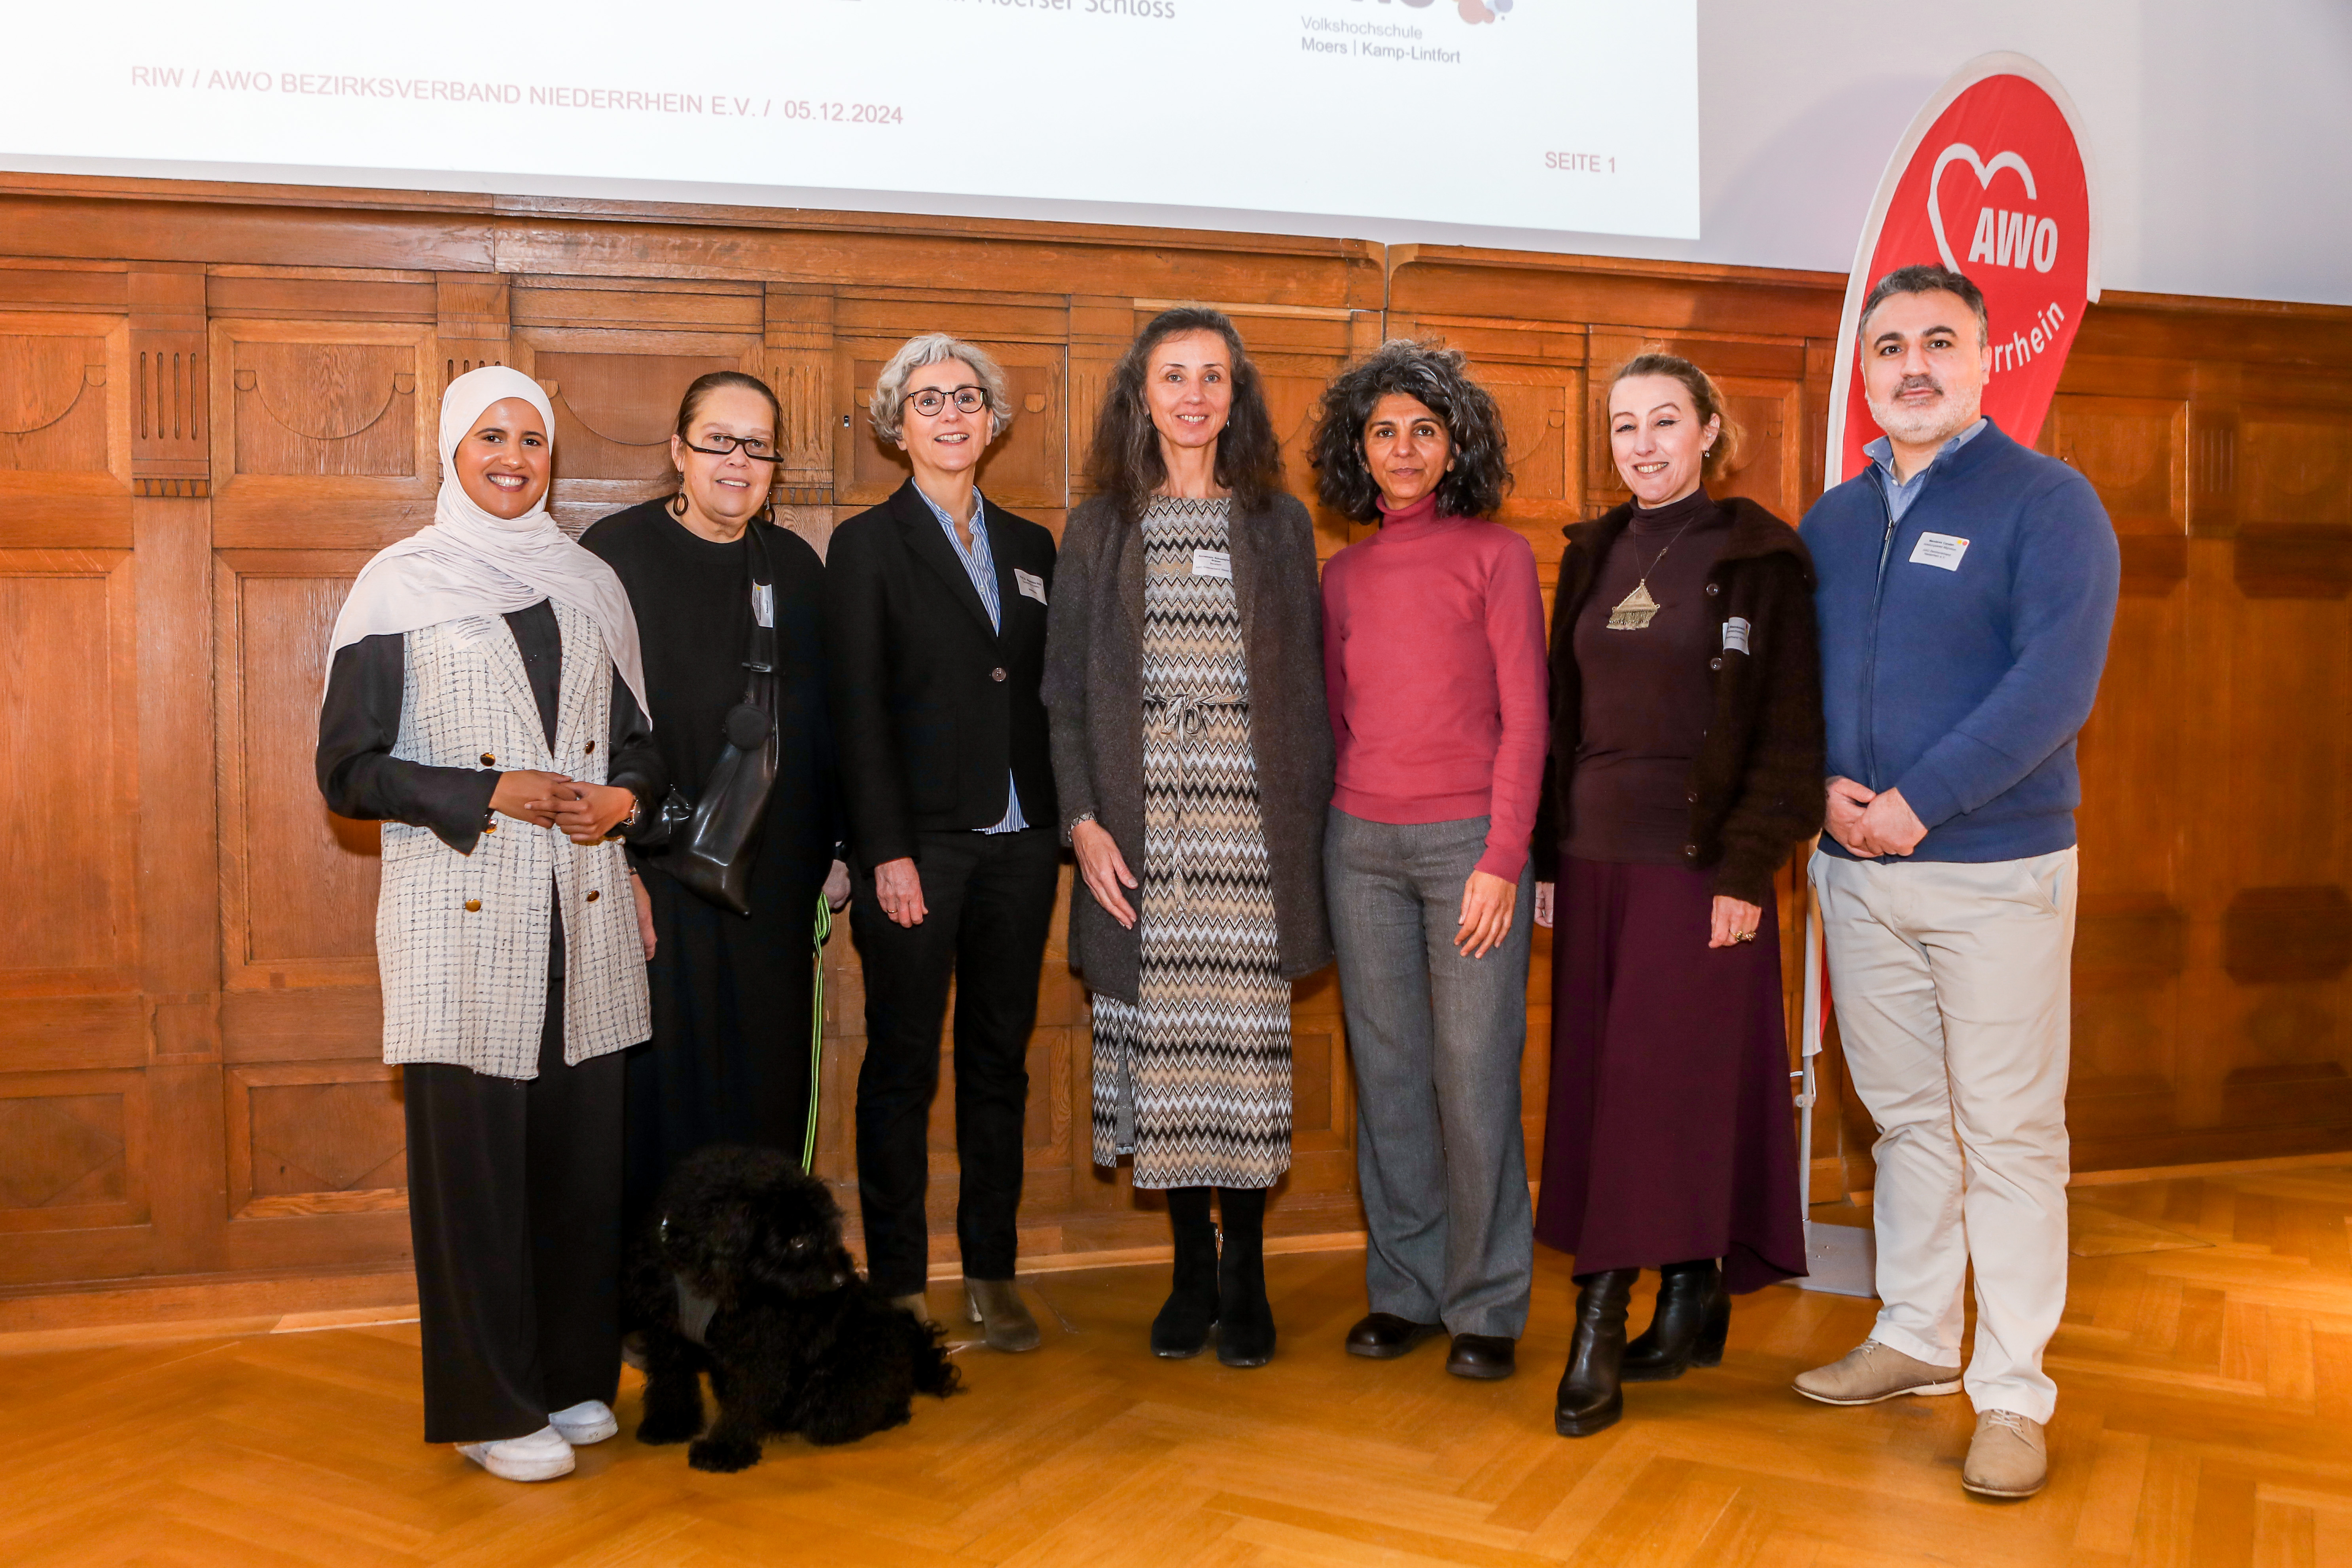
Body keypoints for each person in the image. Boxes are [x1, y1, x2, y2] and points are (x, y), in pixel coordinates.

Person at [1793, 265, 2118, 1500]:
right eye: (1890, 347)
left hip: (1995, 871)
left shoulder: (2049, 502)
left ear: (1984, 360)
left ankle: (2012, 1388)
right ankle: (1918, 1334)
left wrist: (1918, 806)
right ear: (1865, 372)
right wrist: (1826, 796)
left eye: (1939, 341)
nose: (1913, 364)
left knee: (2012, 1133)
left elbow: (2053, 688)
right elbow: (1798, 685)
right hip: (1854, 873)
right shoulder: (1830, 519)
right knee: (1909, 1122)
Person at [316, 365, 669, 1483]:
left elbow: (644, 746)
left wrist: (630, 799)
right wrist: (483, 793)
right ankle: (485, 1400)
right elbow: (347, 770)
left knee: (578, 1169)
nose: (514, 456)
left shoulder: (591, 583)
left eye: (532, 438)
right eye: (490, 436)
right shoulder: (396, 585)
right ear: (451, 450)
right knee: (475, 1175)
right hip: (458, 921)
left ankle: (567, 1379)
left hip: (589, 912)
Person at [1530, 351, 1821, 1438]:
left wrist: (1748, 868)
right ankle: (1690, 1290)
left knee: (1658, 1095)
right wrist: (1553, 861)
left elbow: (1790, 734)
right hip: (1595, 862)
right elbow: (1566, 720)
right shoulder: (1594, 553)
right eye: (1622, 426)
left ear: (1708, 431)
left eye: (1664, 421)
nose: (1642, 443)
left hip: (1698, 869)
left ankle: (1600, 1316)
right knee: (1611, 1091)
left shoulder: (1758, 556)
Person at [1043, 306, 1334, 1369]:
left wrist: (1307, 841)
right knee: (1165, 1062)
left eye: (1214, 376)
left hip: (1250, 837)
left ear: (1236, 395)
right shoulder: (1097, 527)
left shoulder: (1278, 524)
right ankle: (1187, 1271)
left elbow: (1306, 691)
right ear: (1142, 392)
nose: (1195, 395)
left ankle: (1246, 1268)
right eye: (1175, 375)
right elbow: (1062, 697)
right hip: (1138, 838)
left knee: (1243, 1066)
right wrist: (1081, 824)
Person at [1309, 341, 1547, 1381]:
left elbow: (1529, 720)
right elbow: (1332, 715)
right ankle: (1402, 1288)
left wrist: (1504, 855)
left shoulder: (1497, 556)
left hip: (1467, 851)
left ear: (1454, 448)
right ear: (1358, 450)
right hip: (1356, 847)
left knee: (1475, 1073)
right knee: (1391, 1075)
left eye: (1423, 429)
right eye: (1383, 430)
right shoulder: (1342, 574)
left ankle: (1487, 1299)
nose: (1402, 448)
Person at [825, 333, 1060, 1353]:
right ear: (897, 424)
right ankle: (903, 1283)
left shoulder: (1033, 546)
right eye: (928, 400)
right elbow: (856, 712)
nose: (951, 414)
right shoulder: (867, 546)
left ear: (994, 420)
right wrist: (884, 848)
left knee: (1000, 1062)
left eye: (969, 397)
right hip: (916, 850)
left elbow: (1043, 690)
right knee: (903, 1067)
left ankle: (994, 1274)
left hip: (1022, 844)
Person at [581, 371, 846, 1249]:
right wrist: (612, 868)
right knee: (656, 1097)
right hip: (654, 878)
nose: (739, 460)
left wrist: (839, 848)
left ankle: (754, 1292)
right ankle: (658, 1302)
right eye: (718, 440)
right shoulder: (611, 557)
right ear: (678, 452)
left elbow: (830, 724)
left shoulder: (796, 569)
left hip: (776, 888)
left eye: (758, 444)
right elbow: (583, 730)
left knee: (764, 1097)